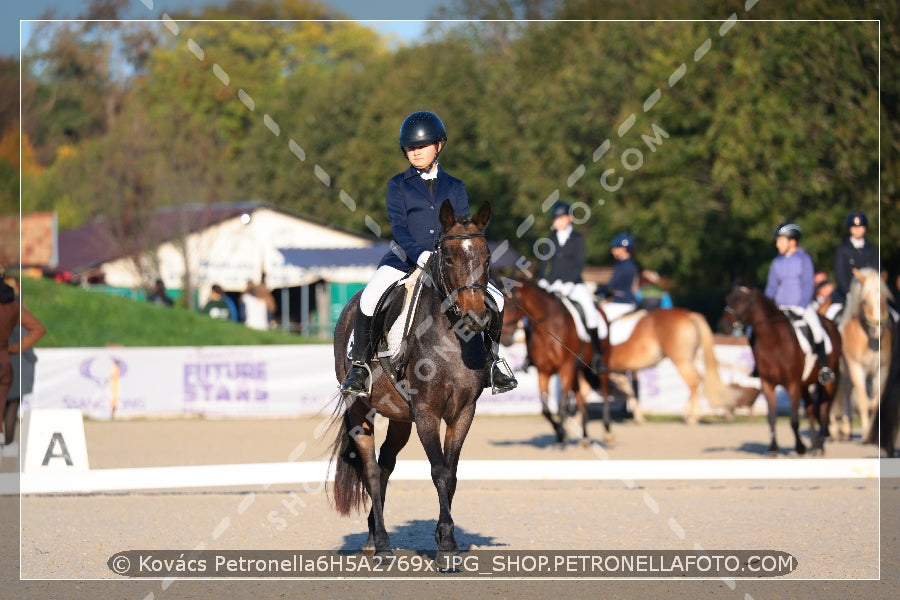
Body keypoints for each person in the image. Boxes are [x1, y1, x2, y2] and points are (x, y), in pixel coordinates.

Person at [340, 110, 517, 397]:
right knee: (371, 296)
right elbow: (398, 227)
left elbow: (461, 225)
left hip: (448, 263)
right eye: (410, 147)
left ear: (438, 146)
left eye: (421, 146)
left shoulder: (455, 185)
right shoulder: (398, 184)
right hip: (405, 259)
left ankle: (493, 363)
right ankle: (360, 367)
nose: (415, 152)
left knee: (495, 298)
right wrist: (419, 254)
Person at [535, 200, 606, 372]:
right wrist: (543, 280)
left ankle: (597, 356)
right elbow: (544, 264)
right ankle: (530, 357)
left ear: (569, 218)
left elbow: (579, 264)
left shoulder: (578, 239)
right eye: (556, 219)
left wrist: (569, 284)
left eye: (561, 218)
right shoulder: (549, 240)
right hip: (553, 285)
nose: (558, 221)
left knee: (590, 313)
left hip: (574, 285)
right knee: (534, 315)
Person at [764, 222, 834, 383]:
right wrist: (768, 307)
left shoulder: (804, 259)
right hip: (780, 308)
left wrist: (802, 307)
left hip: (801, 307)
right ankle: (758, 367)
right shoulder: (777, 263)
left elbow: (808, 284)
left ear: (792, 241)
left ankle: (824, 367)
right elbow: (771, 288)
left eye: (780, 240)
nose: (777, 244)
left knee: (817, 331)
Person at [0, 276, 46, 458]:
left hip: (11, 361)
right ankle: (8, 445)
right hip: (12, 363)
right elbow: (34, 331)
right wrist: (23, 353)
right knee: (11, 407)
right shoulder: (15, 308)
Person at [827, 210, 879, 320]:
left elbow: (876, 272)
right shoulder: (842, 249)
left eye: (860, 227)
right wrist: (849, 293)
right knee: (830, 316)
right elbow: (840, 274)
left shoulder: (872, 249)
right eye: (854, 227)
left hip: (869, 295)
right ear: (850, 229)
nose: (857, 230)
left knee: (893, 316)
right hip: (845, 295)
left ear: (865, 228)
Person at [595, 233, 639, 322]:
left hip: (622, 302)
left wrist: (597, 292)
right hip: (625, 301)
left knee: (597, 319)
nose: (612, 250)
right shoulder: (630, 264)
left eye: (615, 248)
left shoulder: (622, 266)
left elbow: (611, 284)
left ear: (623, 249)